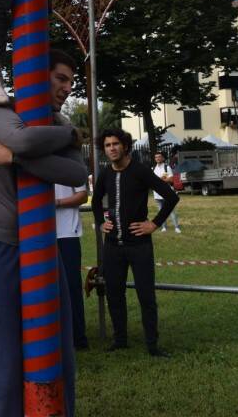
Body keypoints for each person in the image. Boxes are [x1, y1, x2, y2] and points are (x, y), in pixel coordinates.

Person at [0, 49, 88, 417]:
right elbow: (22, 140)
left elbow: (76, 175)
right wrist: (67, 135)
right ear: (38, 75)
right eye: (61, 79)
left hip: (39, 243)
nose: (67, 88)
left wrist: (19, 157)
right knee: (2, 359)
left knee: (58, 346)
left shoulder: (55, 121)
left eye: (71, 82)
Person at [92, 129, 179, 356]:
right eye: (108, 145)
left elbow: (171, 197)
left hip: (139, 245)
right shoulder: (105, 174)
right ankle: (120, 340)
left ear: (126, 146)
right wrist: (101, 222)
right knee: (114, 294)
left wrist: (154, 224)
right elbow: (95, 202)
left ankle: (153, 345)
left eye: (116, 144)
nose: (112, 148)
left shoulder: (140, 171)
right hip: (113, 246)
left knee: (146, 295)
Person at [54, 180, 90, 349]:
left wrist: (57, 202)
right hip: (38, 232)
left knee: (71, 286)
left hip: (67, 233)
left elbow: (83, 196)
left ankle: (78, 338)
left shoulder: (72, 161)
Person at [152, 151, 182, 233]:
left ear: (162, 158)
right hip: (157, 194)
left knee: (171, 210)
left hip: (166, 193)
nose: (157, 158)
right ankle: (163, 227)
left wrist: (162, 180)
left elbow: (171, 179)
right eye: (156, 157)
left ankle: (176, 227)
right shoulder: (154, 168)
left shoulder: (166, 167)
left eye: (159, 157)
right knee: (160, 211)